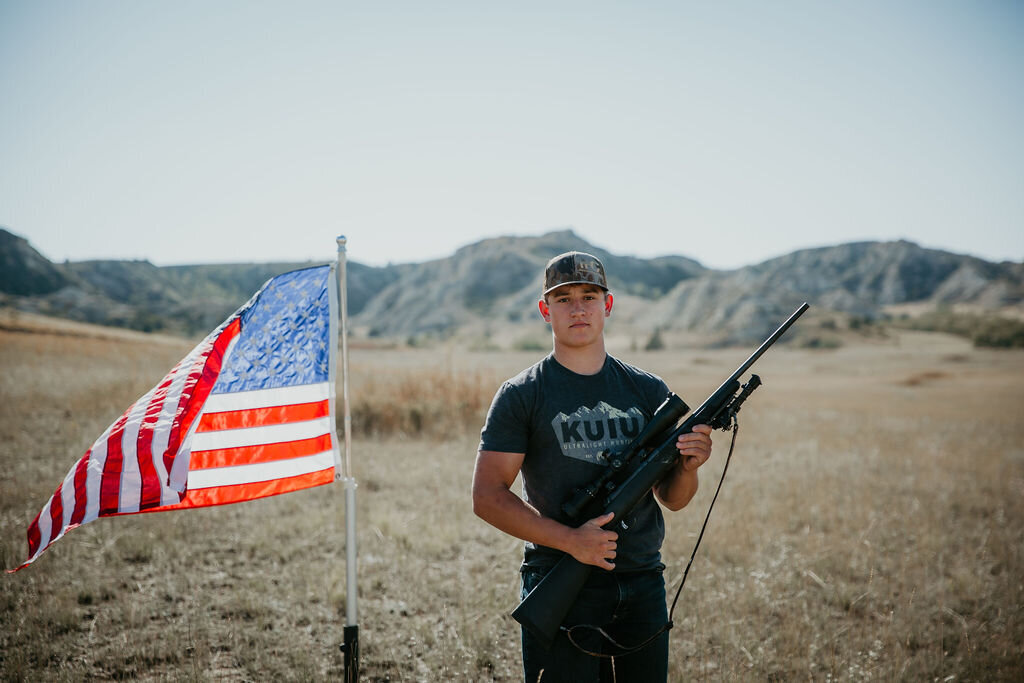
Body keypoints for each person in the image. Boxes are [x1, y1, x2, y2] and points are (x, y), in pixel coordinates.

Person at [472, 250, 714, 682]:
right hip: (561, 578)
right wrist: (571, 541)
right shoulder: (521, 394)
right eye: (563, 299)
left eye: (589, 295)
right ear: (546, 310)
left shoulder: (647, 389)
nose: (578, 308)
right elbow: (487, 496)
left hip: (642, 580)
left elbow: (673, 500)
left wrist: (689, 468)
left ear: (609, 305)